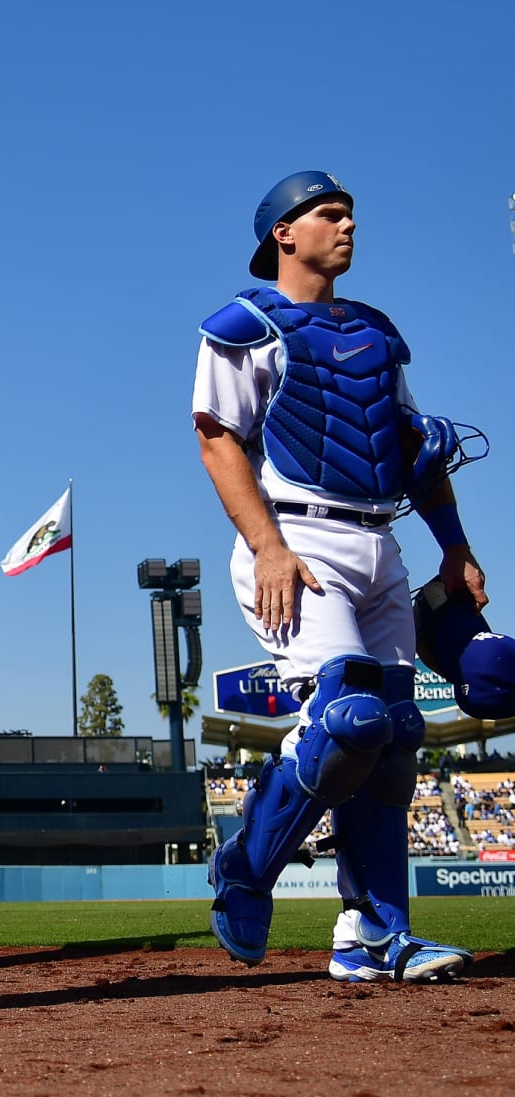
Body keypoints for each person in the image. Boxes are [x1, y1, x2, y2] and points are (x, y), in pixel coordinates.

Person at [193, 171, 486, 983]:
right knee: (349, 717)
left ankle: (372, 934)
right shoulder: (246, 325)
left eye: (350, 211)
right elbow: (218, 440)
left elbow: (414, 449)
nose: (347, 222)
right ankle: (246, 867)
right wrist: (266, 547)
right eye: (328, 213)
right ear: (284, 233)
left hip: (379, 543)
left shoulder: (377, 333)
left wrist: (455, 549)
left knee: (395, 739)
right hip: (296, 541)